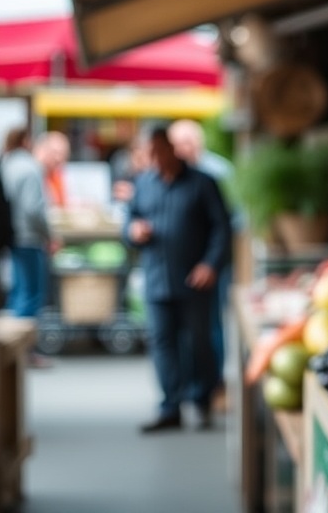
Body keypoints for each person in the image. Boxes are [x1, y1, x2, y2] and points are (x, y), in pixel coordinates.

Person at [126, 127, 231, 433]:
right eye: (151, 154)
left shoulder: (203, 183)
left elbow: (221, 228)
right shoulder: (144, 183)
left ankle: (202, 399)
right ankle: (170, 405)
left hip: (194, 279)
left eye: (160, 152)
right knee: (162, 343)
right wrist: (133, 231)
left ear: (172, 150)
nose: (156, 159)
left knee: (199, 341)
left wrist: (211, 264)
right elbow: (130, 219)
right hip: (157, 278)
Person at [168, 119, 235, 398]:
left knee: (210, 326)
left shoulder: (218, 172)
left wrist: (212, 262)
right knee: (183, 330)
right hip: (179, 266)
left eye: (188, 142)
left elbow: (231, 221)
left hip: (211, 265)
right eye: (178, 144)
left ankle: (213, 384)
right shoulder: (169, 175)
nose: (183, 149)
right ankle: (187, 385)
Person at [1, 128, 54, 367]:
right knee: (31, 294)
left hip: (11, 237)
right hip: (30, 237)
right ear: (26, 140)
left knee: (18, 291)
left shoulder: (6, 164)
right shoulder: (30, 167)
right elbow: (34, 209)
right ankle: (24, 351)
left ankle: (10, 351)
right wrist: (49, 234)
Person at [33, 131, 70, 207]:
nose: (59, 158)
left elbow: (61, 202)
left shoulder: (55, 174)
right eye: (55, 153)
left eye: (63, 154)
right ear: (43, 150)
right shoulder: (34, 174)